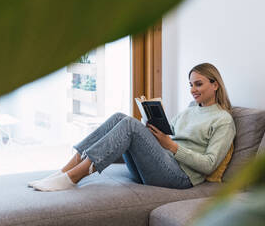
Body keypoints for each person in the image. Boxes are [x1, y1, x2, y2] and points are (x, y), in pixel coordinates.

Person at [29, 63, 236, 192]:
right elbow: (170, 132)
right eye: (190, 84)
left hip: (180, 177)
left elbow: (209, 164)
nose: (192, 90)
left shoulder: (223, 120)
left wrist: (171, 146)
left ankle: (73, 177)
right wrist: (154, 130)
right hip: (159, 164)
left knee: (129, 124)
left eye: (198, 84)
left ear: (215, 84)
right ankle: (64, 171)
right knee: (121, 117)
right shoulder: (191, 108)